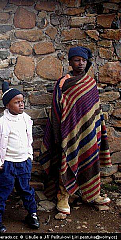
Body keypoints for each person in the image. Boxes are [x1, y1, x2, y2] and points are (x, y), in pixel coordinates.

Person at [39, 46, 112, 215]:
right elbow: (56, 110)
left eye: (83, 61)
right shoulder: (63, 83)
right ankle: (63, 195)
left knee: (91, 158)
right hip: (68, 131)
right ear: (70, 62)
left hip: (90, 131)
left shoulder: (90, 83)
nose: (80, 64)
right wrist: (58, 135)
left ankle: (93, 193)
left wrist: (98, 129)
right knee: (67, 158)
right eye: (77, 60)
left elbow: (96, 110)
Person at [0, 82, 40, 233]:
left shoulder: (26, 119)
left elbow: (29, 139)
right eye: (16, 102)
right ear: (7, 105)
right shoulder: (0, 123)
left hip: (23, 163)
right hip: (8, 164)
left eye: (22, 101)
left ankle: (32, 214)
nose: (21, 105)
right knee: (2, 192)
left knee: (26, 190)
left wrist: (29, 156)